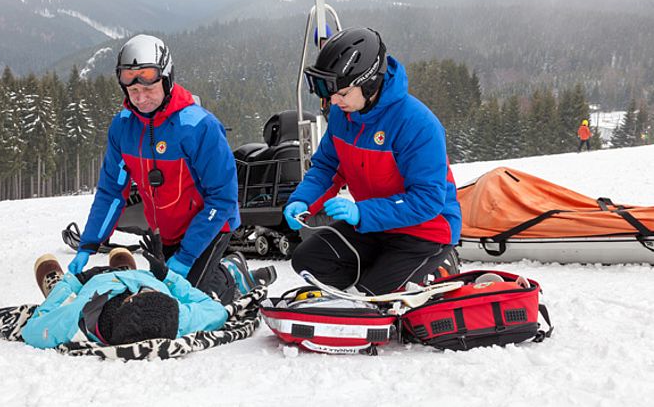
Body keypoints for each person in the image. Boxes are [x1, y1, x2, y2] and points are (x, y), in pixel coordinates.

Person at [68, 34, 272, 303]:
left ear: (166, 79)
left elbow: (222, 198)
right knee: (156, 297)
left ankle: (232, 273)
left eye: (149, 90)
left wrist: (186, 257)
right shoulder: (123, 127)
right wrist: (89, 244)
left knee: (189, 301)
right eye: (133, 91)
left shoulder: (199, 126)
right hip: (163, 231)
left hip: (209, 227)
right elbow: (111, 191)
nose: (141, 99)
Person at [283, 27, 462, 295]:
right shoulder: (341, 117)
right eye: (330, 93)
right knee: (307, 260)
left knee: (369, 300)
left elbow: (427, 200)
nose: (334, 100)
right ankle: (377, 278)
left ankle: (435, 267)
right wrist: (303, 201)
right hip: (374, 227)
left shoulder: (417, 124)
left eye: (342, 93)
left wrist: (363, 213)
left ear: (369, 84)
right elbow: (326, 168)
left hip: (424, 232)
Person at [23, 236, 237, 349]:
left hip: (95, 286)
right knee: (125, 263)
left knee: (62, 297)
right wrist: (166, 277)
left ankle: (56, 285)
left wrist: (72, 283)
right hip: (136, 277)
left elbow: (32, 330)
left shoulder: (75, 318)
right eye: (150, 291)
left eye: (143, 291)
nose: (144, 289)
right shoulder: (178, 319)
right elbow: (216, 310)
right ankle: (127, 270)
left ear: (129, 299)